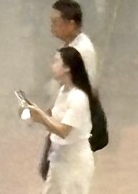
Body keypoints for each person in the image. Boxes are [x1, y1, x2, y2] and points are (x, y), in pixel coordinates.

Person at [22, 46, 101, 194]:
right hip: (58, 159)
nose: (52, 65)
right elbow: (55, 117)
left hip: (75, 165)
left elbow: (64, 131)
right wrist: (36, 114)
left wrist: (41, 118)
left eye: (56, 61)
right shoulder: (63, 91)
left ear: (66, 68)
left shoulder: (78, 97)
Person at [50, 0, 99, 76]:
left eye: (55, 22)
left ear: (71, 25)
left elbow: (84, 85)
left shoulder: (82, 50)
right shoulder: (66, 45)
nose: (52, 26)